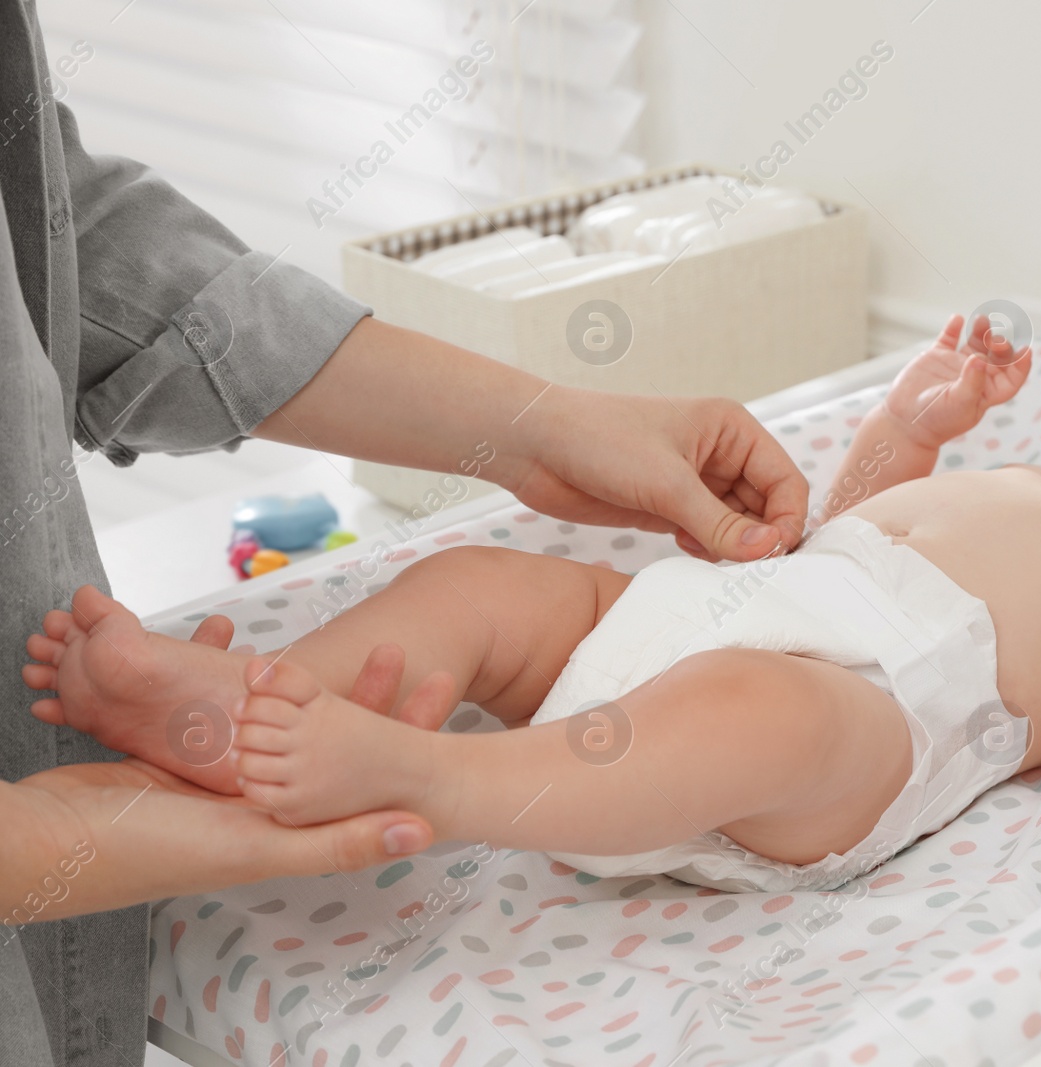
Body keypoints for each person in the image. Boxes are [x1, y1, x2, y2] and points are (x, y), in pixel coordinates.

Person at [27, 313, 1041, 901]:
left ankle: (439, 777)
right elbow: (860, 525)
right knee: (489, 584)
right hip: (752, 595)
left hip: (883, 720)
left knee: (762, 710)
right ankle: (241, 705)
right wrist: (913, 429)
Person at [0, 8, 808, 1065]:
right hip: (835, 620)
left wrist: (541, 428)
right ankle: (364, 753)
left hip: (883, 672)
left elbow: (56, 226)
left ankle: (281, 724)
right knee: (479, 592)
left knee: (765, 721)